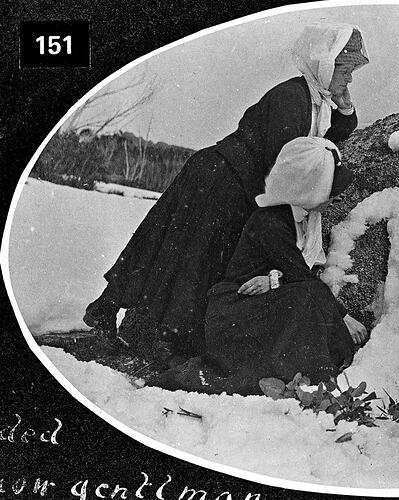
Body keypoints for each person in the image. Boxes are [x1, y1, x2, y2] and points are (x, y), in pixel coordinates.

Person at [82, 23, 370, 360]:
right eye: (345, 70)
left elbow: (323, 141)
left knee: (176, 251)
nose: (348, 79)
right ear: (323, 63)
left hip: (230, 180)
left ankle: (131, 321)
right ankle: (131, 323)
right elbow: (287, 163)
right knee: (183, 254)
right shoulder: (292, 97)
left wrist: (345, 108)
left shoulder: (314, 101)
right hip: (222, 178)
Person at [151, 136, 367, 394]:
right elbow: (303, 279)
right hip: (235, 308)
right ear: (308, 189)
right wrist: (344, 316)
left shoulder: (305, 218)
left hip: (261, 300)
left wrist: (275, 281)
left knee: (306, 300)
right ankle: (296, 375)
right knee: (306, 297)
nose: (335, 197)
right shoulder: (271, 221)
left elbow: (298, 272)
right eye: (329, 190)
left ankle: (307, 371)